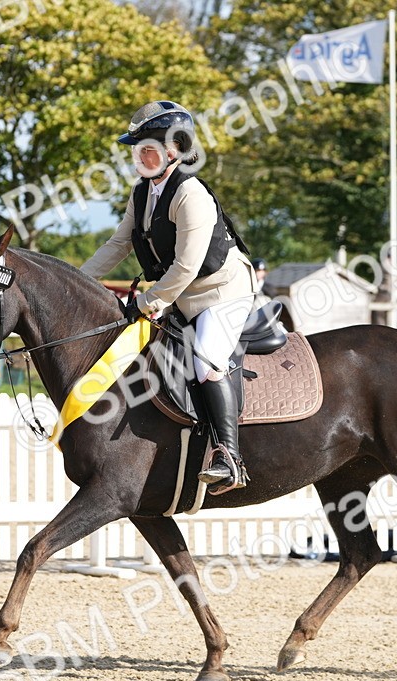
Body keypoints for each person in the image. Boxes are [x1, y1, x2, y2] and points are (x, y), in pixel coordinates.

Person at [80, 100, 256, 494]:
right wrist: (77, 281)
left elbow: (186, 267)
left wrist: (147, 303)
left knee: (207, 359)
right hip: (178, 296)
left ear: (173, 150)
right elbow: (118, 244)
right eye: (136, 150)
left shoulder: (190, 194)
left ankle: (228, 457)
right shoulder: (142, 192)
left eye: (146, 149)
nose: (138, 158)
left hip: (221, 293)